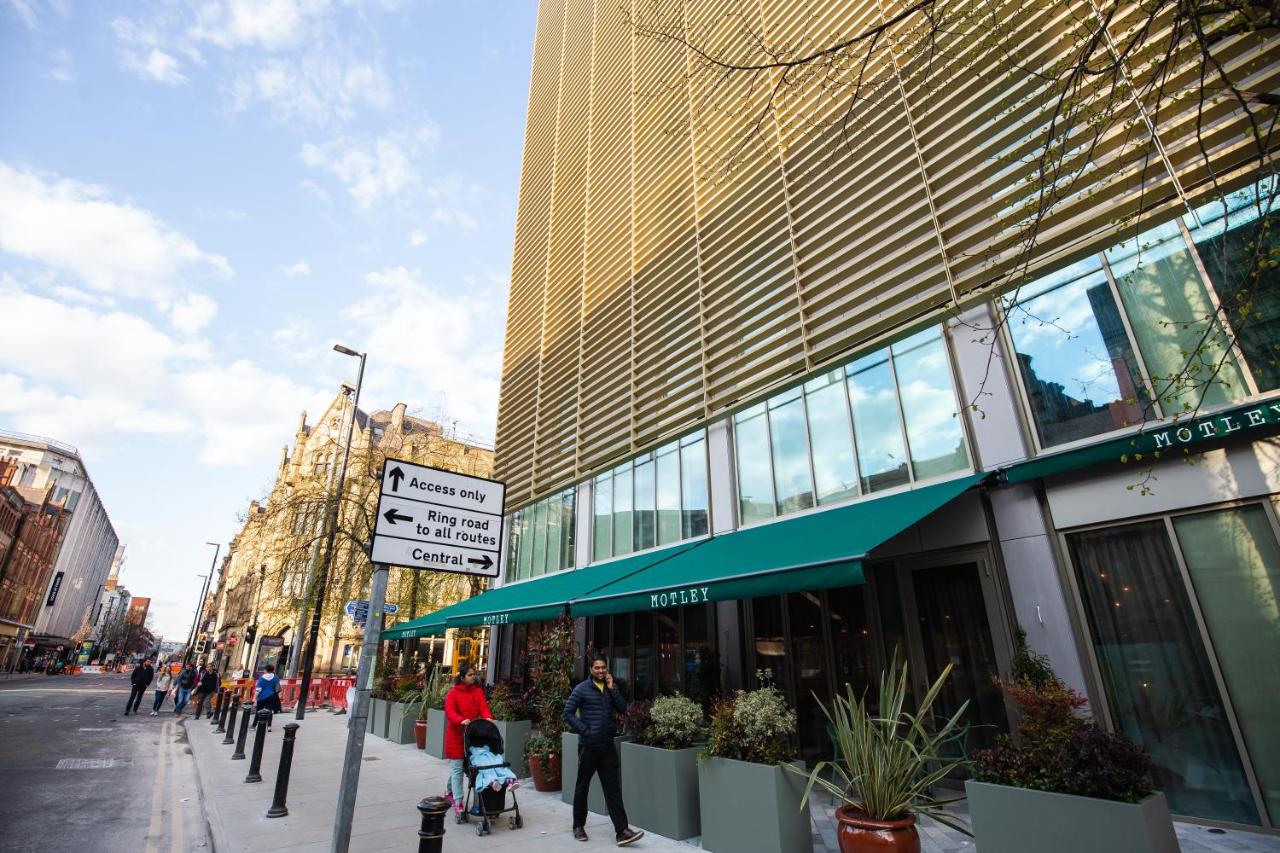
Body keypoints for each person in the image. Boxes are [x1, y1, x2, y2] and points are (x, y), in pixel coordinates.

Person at [563, 654, 644, 846]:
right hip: (589, 746)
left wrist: (612, 688)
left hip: (607, 746)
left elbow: (623, 708)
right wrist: (586, 731)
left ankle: (622, 831)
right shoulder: (581, 689)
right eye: (597, 667)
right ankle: (578, 826)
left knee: (613, 788)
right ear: (591, 669)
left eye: (603, 667)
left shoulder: (610, 688)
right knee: (582, 787)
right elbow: (567, 713)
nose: (600, 670)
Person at [443, 663, 492, 819]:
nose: (473, 677)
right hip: (456, 736)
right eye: (470, 675)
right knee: (458, 768)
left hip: (471, 735)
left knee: (460, 768)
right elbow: (450, 712)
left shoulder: (477, 692)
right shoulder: (453, 693)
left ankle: (448, 791)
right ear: (462, 677)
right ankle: (458, 802)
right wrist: (460, 720)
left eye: (474, 674)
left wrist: (487, 717)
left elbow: (483, 707)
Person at [254, 664, 282, 728]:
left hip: (262, 696)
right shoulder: (275, 677)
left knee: (259, 710)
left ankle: (254, 724)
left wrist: (254, 698)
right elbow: (278, 688)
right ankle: (269, 726)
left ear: (266, 670)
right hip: (272, 695)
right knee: (270, 710)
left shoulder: (262, 678)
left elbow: (258, 689)